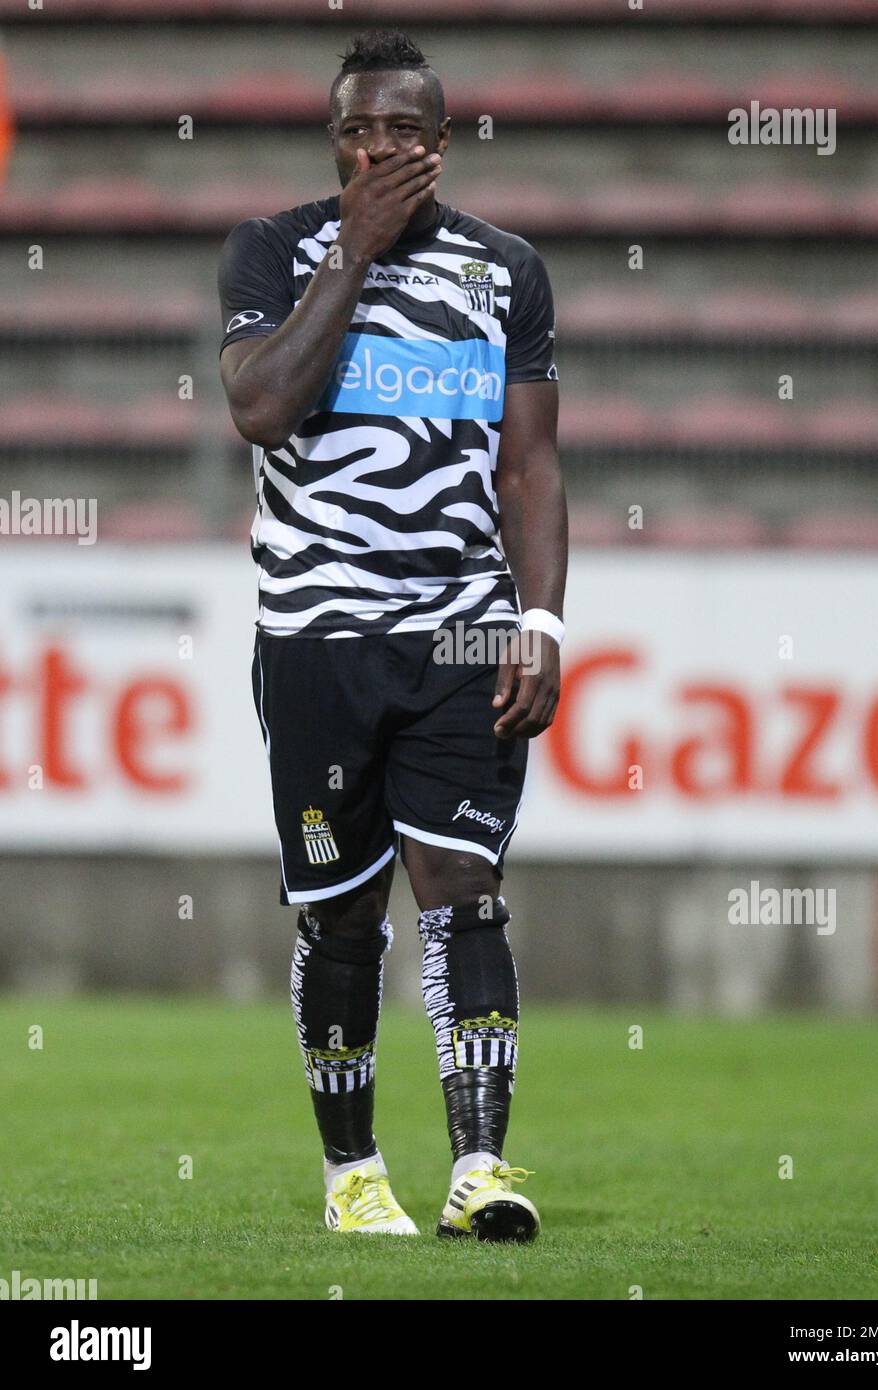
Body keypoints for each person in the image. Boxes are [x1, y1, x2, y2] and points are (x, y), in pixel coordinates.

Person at [217, 29, 566, 1242]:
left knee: (465, 890)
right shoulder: (272, 248)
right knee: (343, 912)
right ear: (336, 140)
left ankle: (482, 1168)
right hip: (316, 629)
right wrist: (352, 258)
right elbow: (261, 406)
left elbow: (529, 463)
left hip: (462, 630)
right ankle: (352, 1174)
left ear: (441, 141)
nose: (382, 148)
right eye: (360, 129)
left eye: (404, 130)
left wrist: (539, 617)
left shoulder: (506, 268)